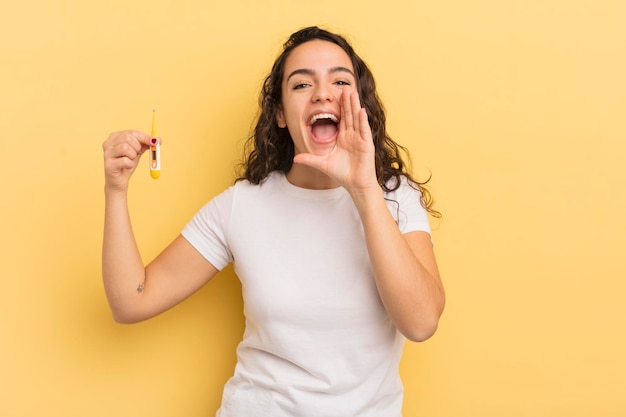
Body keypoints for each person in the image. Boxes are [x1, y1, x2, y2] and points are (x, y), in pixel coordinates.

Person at [102, 26, 445, 417]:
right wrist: (116, 191)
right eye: (301, 84)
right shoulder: (241, 207)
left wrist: (364, 188)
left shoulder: (394, 198)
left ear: (359, 105)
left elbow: (421, 324)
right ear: (280, 114)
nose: (322, 92)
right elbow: (131, 301)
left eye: (340, 80)